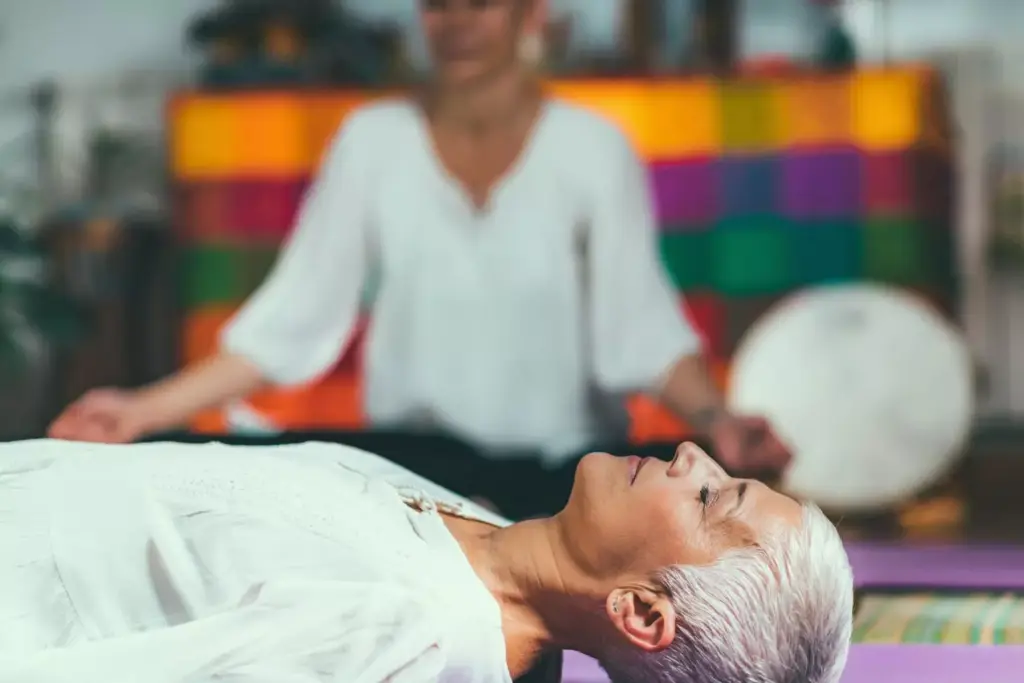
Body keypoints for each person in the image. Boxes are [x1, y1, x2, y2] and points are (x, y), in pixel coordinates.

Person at [49, 0, 789, 512]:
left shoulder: (592, 148)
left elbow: (642, 331)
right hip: (410, 469)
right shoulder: (371, 141)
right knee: (212, 463)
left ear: (530, 15)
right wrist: (140, 412)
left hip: (566, 471)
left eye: (480, 4)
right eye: (438, 5)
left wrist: (717, 418)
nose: (456, 23)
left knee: (690, 490)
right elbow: (289, 322)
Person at [0, 438, 852, 683]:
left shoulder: (412, 632)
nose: (691, 454)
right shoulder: (477, 524)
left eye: (710, 499)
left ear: (641, 611)